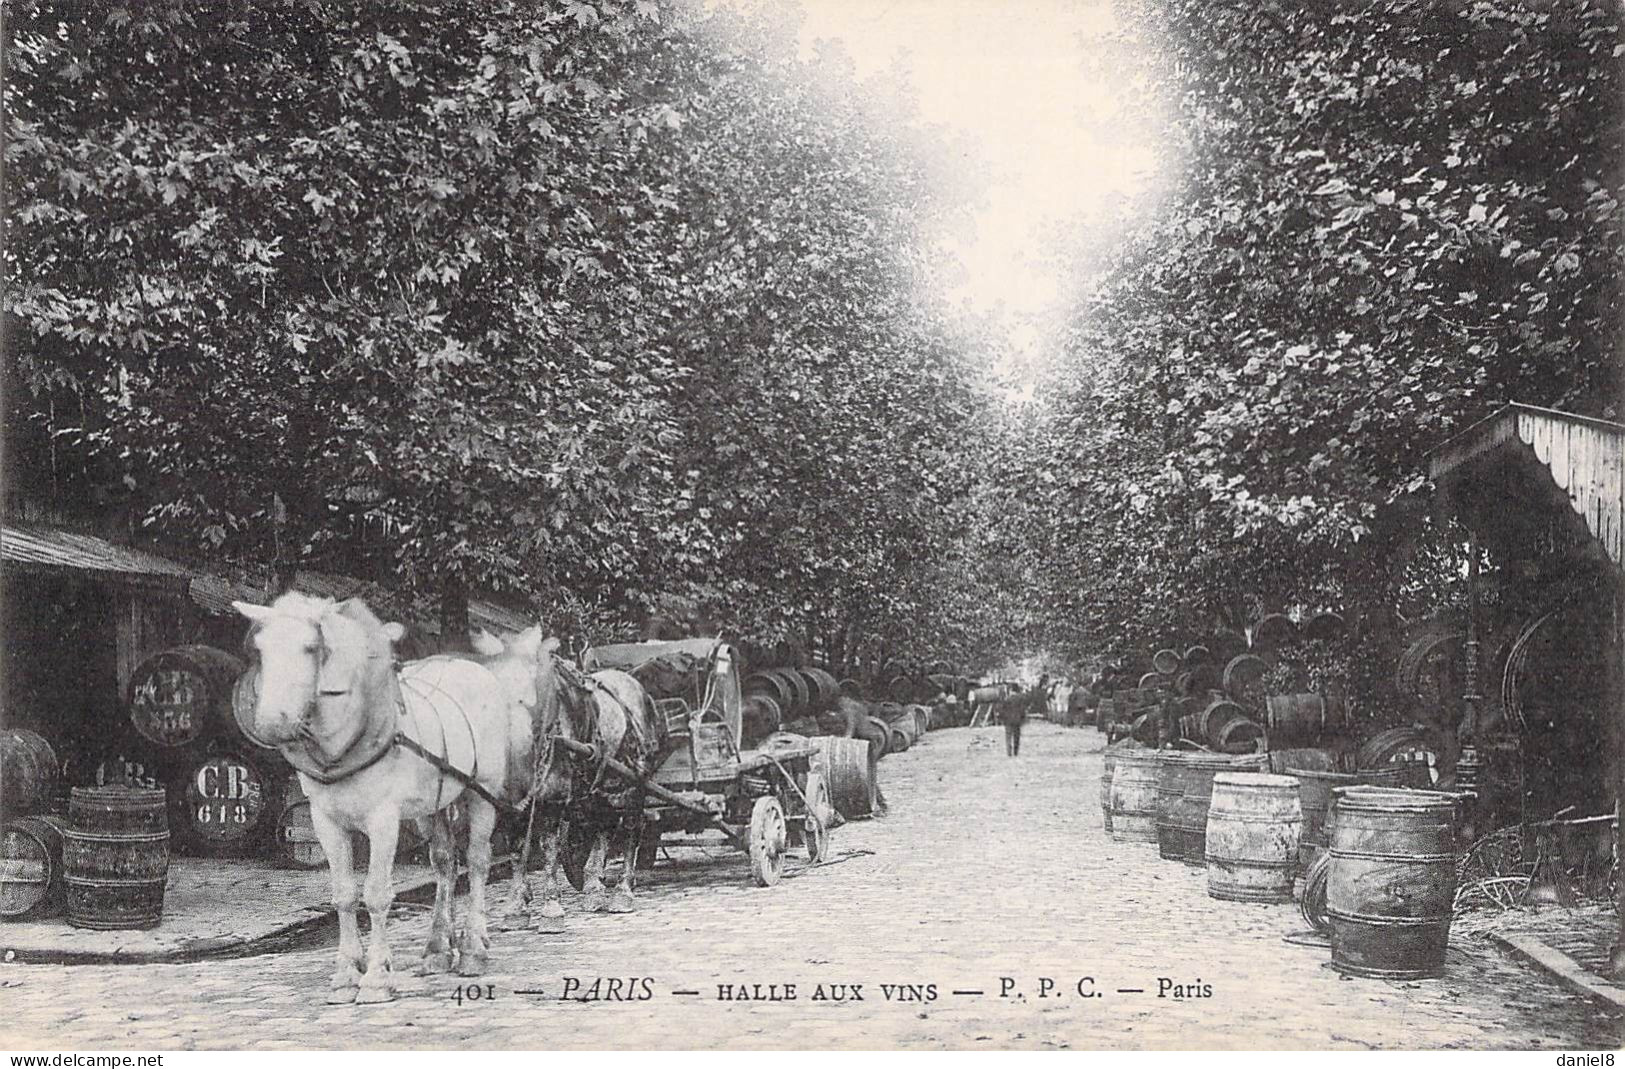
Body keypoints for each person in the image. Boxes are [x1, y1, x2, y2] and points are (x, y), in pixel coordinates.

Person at [1001, 674, 1048, 757]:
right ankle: (1016, 752)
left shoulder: (1007, 699)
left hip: (1008, 720)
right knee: (1016, 736)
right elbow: (1023, 708)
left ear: (1011, 690)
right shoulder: (1021, 698)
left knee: (1008, 736)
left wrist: (1002, 719)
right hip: (1017, 720)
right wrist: (1023, 718)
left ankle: (1009, 752)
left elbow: (1002, 710)